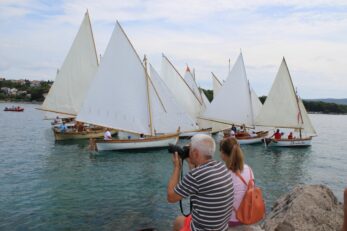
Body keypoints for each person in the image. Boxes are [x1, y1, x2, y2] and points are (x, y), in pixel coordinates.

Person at [167, 134, 234, 231]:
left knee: (178, 221)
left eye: (190, 149)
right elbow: (199, 183)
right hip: (222, 228)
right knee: (182, 220)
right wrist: (191, 163)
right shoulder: (222, 167)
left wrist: (177, 167)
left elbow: (171, 197)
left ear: (195, 153)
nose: (188, 151)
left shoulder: (196, 176)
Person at [219, 137, 254, 227]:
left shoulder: (222, 173)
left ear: (223, 153)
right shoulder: (249, 170)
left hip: (229, 221)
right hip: (246, 216)